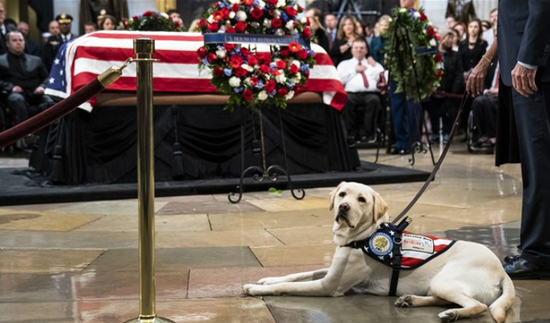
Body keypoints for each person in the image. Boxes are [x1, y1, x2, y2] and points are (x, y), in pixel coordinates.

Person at [466, 1, 550, 279]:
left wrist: (528, 59)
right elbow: (510, 21)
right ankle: (538, 247)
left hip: (533, 71)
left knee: (540, 164)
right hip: (523, 67)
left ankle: (539, 253)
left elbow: (542, 8)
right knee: (534, 163)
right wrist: (486, 61)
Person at [387, 0, 425, 155]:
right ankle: (400, 141)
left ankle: (412, 140)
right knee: (396, 107)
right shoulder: (394, 18)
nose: (402, 0)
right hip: (397, 68)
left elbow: (423, 43)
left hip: (413, 69)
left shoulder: (419, 18)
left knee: (412, 108)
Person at [0, 31, 53, 129]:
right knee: (17, 99)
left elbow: (47, 77)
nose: (18, 43)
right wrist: (11, 87)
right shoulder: (1, 61)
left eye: (21, 40)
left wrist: (42, 86)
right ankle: (24, 135)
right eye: (14, 40)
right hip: (14, 94)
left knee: (49, 102)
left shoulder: (36, 60)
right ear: (7, 44)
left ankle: (50, 135)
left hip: (36, 94)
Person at [337, 38, 385, 144]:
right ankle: (351, 134)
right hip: (351, 94)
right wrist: (354, 70)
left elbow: (383, 78)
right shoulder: (344, 64)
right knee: (347, 100)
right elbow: (339, 80)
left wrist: (376, 68)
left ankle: (367, 134)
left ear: (366, 50)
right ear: (352, 50)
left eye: (362, 48)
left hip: (370, 94)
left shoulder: (373, 64)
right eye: (356, 48)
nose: (359, 50)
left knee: (374, 100)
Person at [425, 32, 463, 144]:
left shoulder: (456, 55)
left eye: (452, 39)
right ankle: (435, 133)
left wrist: (453, 90)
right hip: (433, 91)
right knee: (434, 112)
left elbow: (458, 74)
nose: (450, 41)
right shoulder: (432, 53)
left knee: (447, 113)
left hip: (448, 90)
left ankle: (447, 133)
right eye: (448, 38)